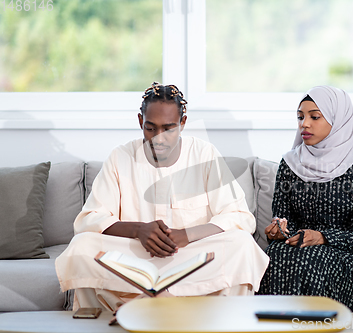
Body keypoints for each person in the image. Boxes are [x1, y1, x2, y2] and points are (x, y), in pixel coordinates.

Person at [55, 82, 269, 311]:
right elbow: (89, 219)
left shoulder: (204, 154)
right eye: (150, 128)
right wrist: (138, 230)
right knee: (82, 245)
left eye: (168, 129)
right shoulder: (121, 156)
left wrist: (186, 235)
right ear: (140, 122)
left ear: (182, 123)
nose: (159, 138)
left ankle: (143, 306)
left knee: (242, 244)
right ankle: (168, 308)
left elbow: (239, 216)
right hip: (135, 259)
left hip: (190, 259)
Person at [257, 85, 353, 313]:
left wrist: (322, 237)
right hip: (299, 247)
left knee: (314, 260)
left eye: (314, 117)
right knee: (272, 255)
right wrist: (279, 230)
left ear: (338, 120)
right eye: (300, 117)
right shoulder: (290, 163)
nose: (304, 124)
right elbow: (284, 217)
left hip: (346, 253)